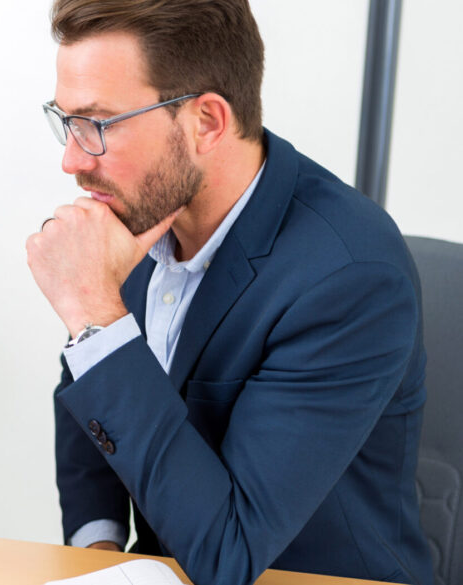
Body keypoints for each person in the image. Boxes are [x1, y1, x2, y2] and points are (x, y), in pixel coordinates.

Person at [25, 1, 433, 584]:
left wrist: (93, 310)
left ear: (207, 122)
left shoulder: (351, 278)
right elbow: (94, 398)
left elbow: (229, 554)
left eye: (99, 125)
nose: (71, 160)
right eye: (66, 122)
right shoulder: (143, 210)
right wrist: (101, 555)